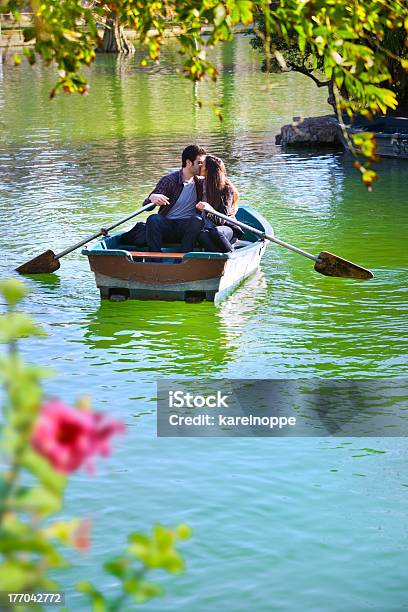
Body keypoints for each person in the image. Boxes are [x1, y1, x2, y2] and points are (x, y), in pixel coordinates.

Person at [143, 144, 207, 252]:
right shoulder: (169, 180)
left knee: (197, 220)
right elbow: (146, 206)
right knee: (153, 219)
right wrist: (152, 197)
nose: (203, 166)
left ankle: (184, 258)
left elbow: (221, 182)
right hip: (168, 226)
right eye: (199, 163)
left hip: (188, 227)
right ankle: (154, 260)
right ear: (188, 162)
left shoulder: (202, 182)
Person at [196, 155, 242, 253]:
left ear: (208, 170)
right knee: (201, 235)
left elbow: (222, 220)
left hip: (226, 228)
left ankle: (231, 255)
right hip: (208, 228)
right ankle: (219, 259)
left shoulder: (226, 189)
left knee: (215, 232)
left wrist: (209, 209)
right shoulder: (200, 184)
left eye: (202, 165)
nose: (200, 166)